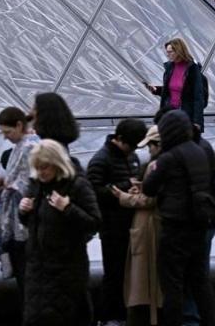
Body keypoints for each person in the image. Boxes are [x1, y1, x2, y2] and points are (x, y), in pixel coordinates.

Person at [142, 109, 215, 326]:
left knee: (172, 283)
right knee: (200, 280)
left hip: (175, 227)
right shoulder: (201, 150)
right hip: (200, 223)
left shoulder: (169, 157)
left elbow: (149, 188)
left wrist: (156, 161)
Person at [17, 139, 101, 326]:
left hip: (67, 268)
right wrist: (23, 211)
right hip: (38, 268)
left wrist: (68, 208)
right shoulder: (37, 185)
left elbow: (94, 223)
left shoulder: (77, 185)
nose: (41, 173)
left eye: (45, 167)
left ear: (57, 164)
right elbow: (33, 222)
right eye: (37, 168)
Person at [86, 119, 144, 326]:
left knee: (128, 272)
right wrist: (124, 186)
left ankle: (124, 313)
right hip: (112, 226)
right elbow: (93, 191)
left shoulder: (132, 156)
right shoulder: (101, 160)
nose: (134, 150)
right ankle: (110, 315)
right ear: (119, 139)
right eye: (131, 145)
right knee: (114, 272)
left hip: (131, 223)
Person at [0, 107, 41, 298]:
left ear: (19, 125)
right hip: (18, 219)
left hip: (21, 221)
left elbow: (31, 181)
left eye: (7, 132)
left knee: (26, 276)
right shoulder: (24, 145)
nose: (5, 137)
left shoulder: (29, 147)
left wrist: (10, 186)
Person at [147, 38, 207, 134]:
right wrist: (156, 89)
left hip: (185, 113)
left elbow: (198, 96)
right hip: (169, 112)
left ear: (178, 51)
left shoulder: (192, 69)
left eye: (170, 52)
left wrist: (197, 121)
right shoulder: (169, 67)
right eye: (167, 52)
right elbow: (171, 89)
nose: (168, 54)